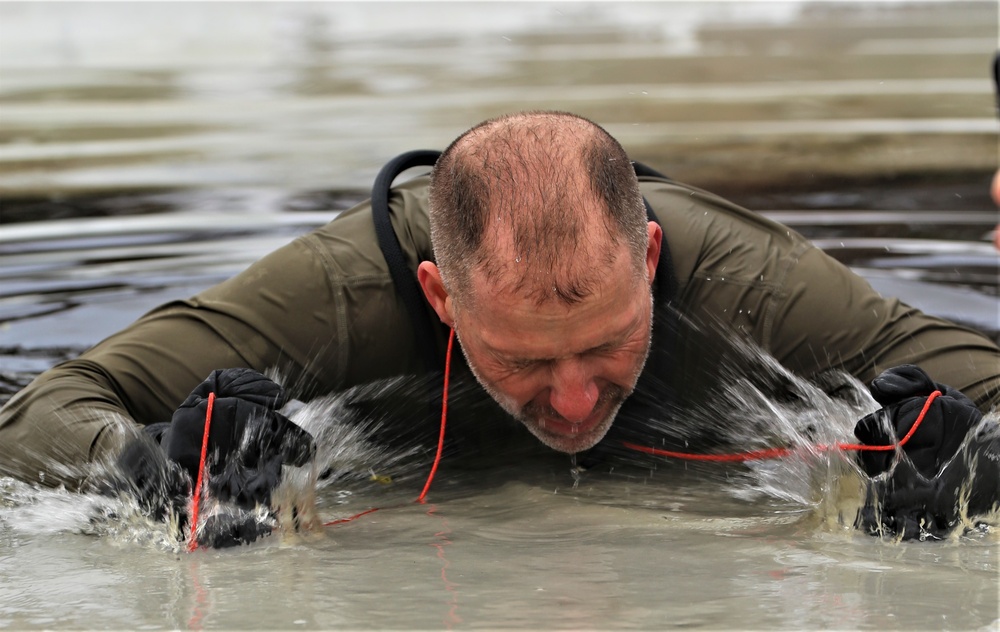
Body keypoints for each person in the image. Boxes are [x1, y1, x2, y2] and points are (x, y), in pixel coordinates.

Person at [1, 111, 997, 541]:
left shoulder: (750, 281)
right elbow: (44, 413)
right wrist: (160, 472)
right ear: (439, 295)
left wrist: (957, 469)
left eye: (607, 343)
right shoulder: (343, 293)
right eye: (523, 356)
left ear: (647, 261)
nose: (570, 398)